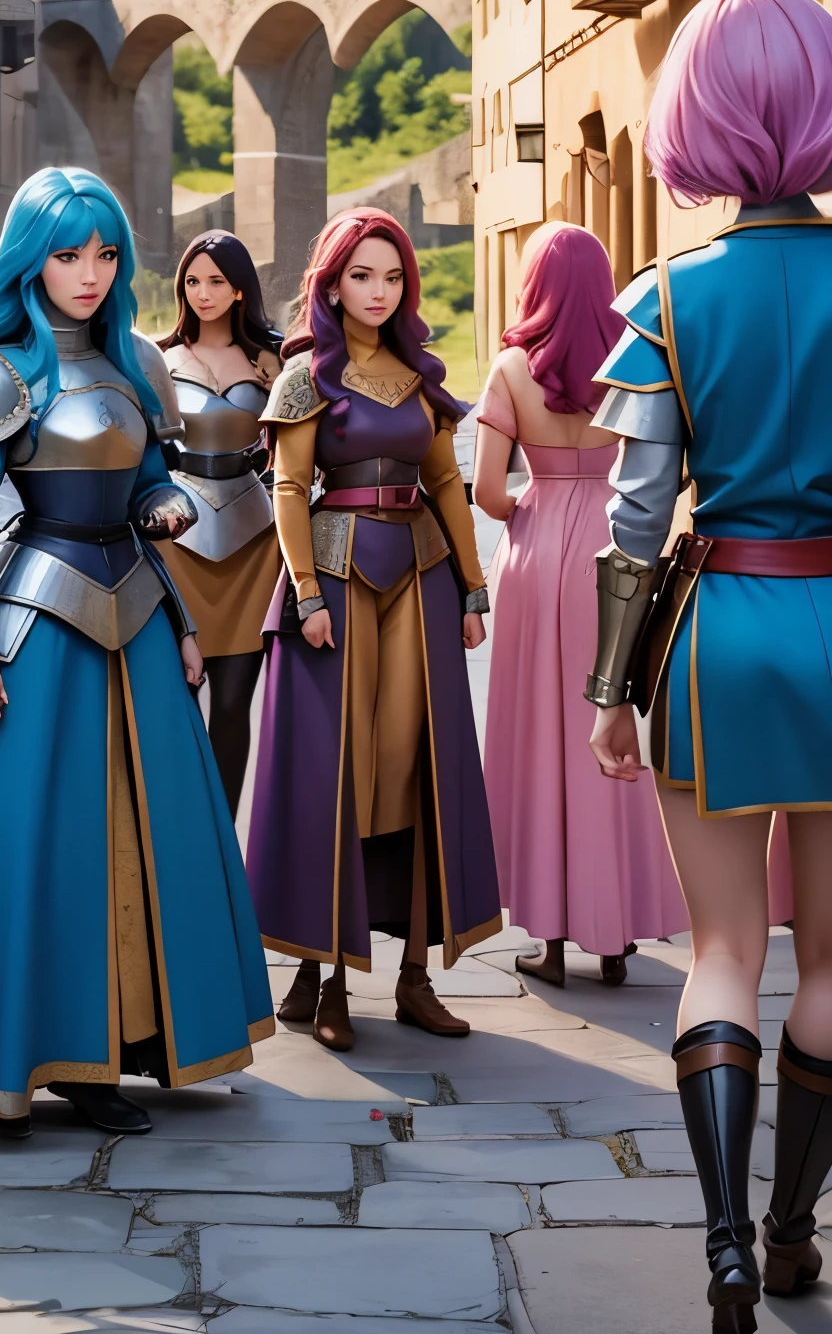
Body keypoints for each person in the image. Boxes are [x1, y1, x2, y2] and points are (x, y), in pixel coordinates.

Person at [0, 167, 274, 1136]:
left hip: (135, 612)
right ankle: (22, 1053)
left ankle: (122, 1043)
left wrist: (164, 537)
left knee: (142, 841)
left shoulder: (136, 358)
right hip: (35, 624)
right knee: (38, 845)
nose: (89, 272)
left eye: (105, 253)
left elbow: (148, 483)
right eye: (66, 253)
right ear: (30, 258)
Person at [587, 0, 832, 1334]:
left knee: (725, 948)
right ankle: (799, 1231)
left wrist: (611, 692)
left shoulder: (667, 299)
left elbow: (633, 521)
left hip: (716, 640)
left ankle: (729, 1250)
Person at [246, 206, 500, 1051]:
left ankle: (415, 974)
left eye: (393, 277)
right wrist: (308, 596)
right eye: (363, 275)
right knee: (335, 773)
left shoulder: (419, 375)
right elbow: (287, 489)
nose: (380, 291)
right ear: (331, 281)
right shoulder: (304, 376)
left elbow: (449, 485)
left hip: (421, 579)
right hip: (339, 581)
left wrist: (472, 586)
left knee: (418, 767)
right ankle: (323, 976)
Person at [475, 223, 686, 986]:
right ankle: (615, 932)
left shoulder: (510, 369)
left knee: (538, 735)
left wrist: (539, 502)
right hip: (616, 545)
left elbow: (488, 493)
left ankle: (551, 939)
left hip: (536, 555)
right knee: (612, 722)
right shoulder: (632, 360)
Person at [155, 231, 283, 816]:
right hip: (172, 540)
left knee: (234, 705)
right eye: (191, 281)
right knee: (176, 702)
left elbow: (295, 451)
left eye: (215, 281)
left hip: (256, 542)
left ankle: (224, 842)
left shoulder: (272, 360)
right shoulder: (154, 358)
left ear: (238, 290)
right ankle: (180, 839)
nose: (202, 293)